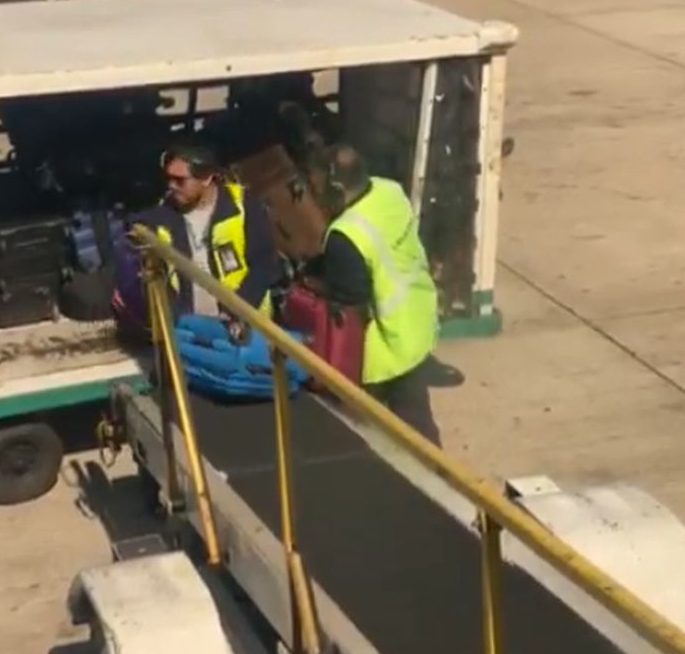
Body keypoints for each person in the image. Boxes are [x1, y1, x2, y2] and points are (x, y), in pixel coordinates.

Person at [306, 143, 442, 445]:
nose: (313, 194)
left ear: (336, 186)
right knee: (418, 423)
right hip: (415, 323)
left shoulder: (346, 235)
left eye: (316, 184)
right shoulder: (388, 191)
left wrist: (314, 283)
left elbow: (348, 301)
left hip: (383, 344)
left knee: (358, 429)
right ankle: (441, 476)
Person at [114, 137, 278, 332]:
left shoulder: (243, 208)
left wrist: (238, 314)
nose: (171, 186)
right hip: (190, 329)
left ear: (206, 178)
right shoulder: (161, 217)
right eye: (168, 178)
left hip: (244, 328)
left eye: (180, 180)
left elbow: (263, 266)